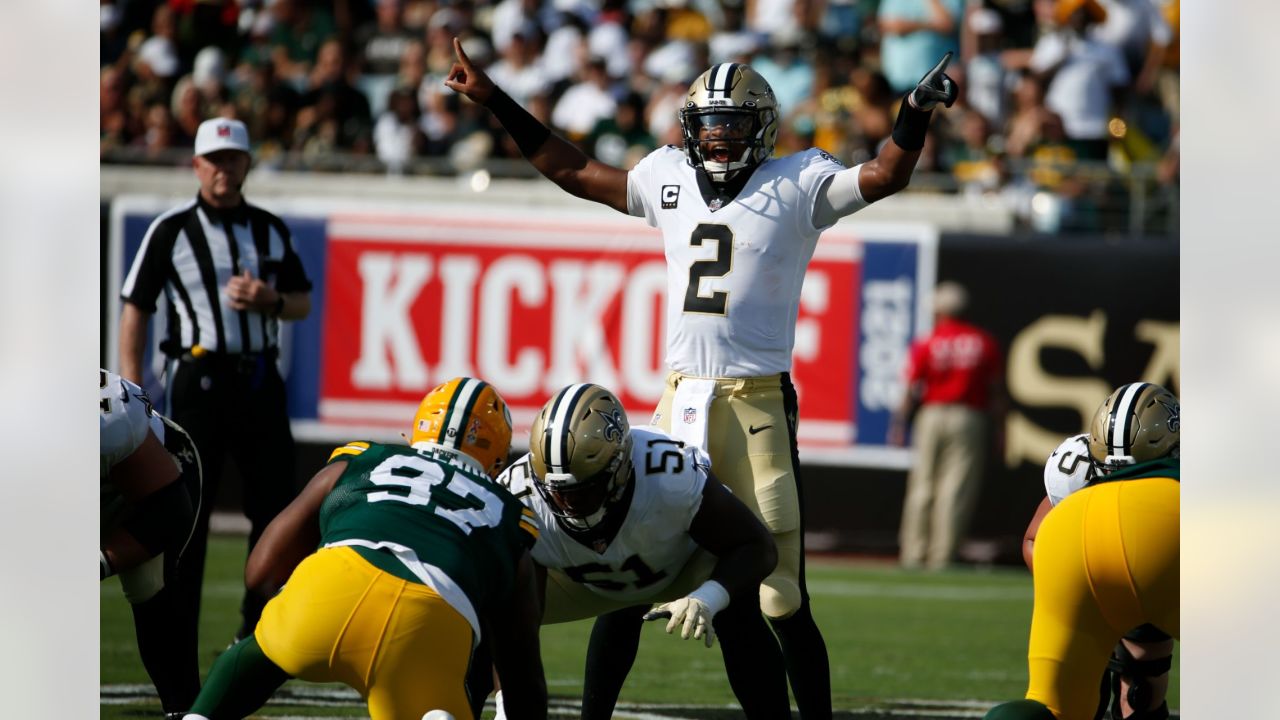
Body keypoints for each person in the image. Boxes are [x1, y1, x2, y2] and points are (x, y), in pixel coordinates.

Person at [445, 39, 959, 718]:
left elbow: (886, 173)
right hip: (681, 396)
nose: (717, 144)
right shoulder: (668, 177)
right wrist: (495, 99)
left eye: (731, 128)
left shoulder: (799, 181)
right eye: (707, 129)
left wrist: (913, 112)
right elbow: (572, 170)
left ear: (762, 128)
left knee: (780, 595)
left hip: (757, 406)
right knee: (631, 574)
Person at [181, 378, 549, 720]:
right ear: (497, 458)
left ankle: (202, 714)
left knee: (256, 655)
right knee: (427, 701)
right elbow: (522, 674)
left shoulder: (365, 456)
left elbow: (261, 570)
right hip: (429, 620)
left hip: (333, 581)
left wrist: (285, 610)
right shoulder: (510, 514)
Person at [119, 117, 314, 644]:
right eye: (216, 160)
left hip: (258, 379)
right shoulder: (172, 229)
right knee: (188, 514)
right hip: (197, 379)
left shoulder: (270, 228)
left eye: (234, 159)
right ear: (197, 165)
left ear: (247, 163)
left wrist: (270, 300)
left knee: (276, 511)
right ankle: (179, 643)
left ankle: (260, 634)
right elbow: (136, 305)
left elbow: (302, 301)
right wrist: (134, 390)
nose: (225, 169)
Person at [477, 383, 780, 719]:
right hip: (583, 578)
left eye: (584, 491)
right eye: (560, 494)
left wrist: (709, 597)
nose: (571, 506)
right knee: (481, 621)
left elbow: (757, 546)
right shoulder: (519, 498)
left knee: (738, 610)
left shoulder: (668, 473)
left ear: (620, 465)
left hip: (680, 565)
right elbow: (513, 628)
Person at [987, 382, 1179, 720]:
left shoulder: (1078, 463)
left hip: (1070, 535)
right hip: (1172, 532)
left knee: (1052, 708)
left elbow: (1035, 540)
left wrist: (1089, 604)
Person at [101, 369, 201, 719]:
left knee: (149, 589)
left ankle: (184, 709)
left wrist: (100, 561)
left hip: (147, 492)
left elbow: (169, 510)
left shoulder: (105, 418)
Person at [888, 281, 1004, 570]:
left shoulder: (929, 341)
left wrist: (899, 424)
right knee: (956, 487)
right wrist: (1003, 429)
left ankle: (913, 553)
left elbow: (910, 387)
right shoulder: (983, 341)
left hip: (932, 413)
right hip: (969, 417)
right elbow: (997, 392)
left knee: (922, 485)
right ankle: (942, 556)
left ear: (939, 310)